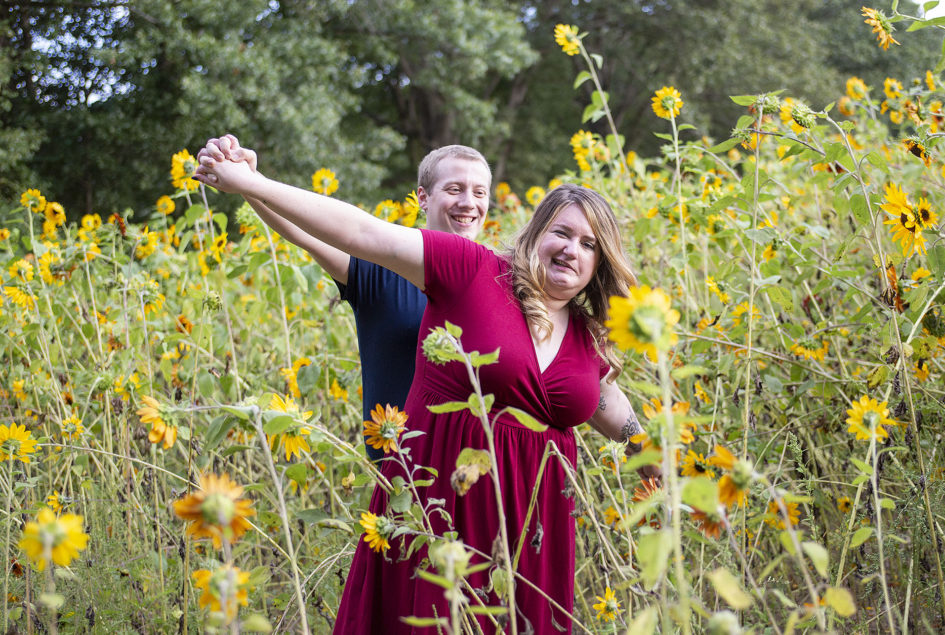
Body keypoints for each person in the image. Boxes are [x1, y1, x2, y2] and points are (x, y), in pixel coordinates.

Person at [195, 142, 655, 634]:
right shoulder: (472, 271)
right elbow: (362, 232)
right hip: (439, 505)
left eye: (589, 244)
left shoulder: (586, 334)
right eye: (562, 233)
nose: (572, 249)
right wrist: (251, 185)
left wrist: (647, 449)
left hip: (533, 527)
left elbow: (600, 397)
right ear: (536, 233)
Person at [197, 136, 492, 460]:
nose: (468, 202)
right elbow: (308, 233)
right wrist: (250, 182)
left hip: (481, 475)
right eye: (454, 189)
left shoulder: (502, 280)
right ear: (423, 198)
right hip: (404, 478)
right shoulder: (381, 269)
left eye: (479, 192)